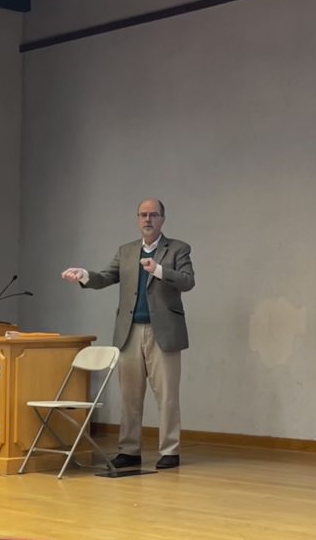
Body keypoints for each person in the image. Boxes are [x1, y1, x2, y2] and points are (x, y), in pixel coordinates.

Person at [61, 198, 195, 470]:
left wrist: (158, 270)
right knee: (130, 395)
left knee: (167, 395)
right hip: (129, 332)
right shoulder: (126, 251)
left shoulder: (178, 249)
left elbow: (187, 281)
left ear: (162, 219)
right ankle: (129, 450)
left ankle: (170, 450)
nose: (148, 220)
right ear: (137, 219)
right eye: (143, 215)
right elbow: (106, 277)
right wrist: (85, 275)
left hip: (164, 333)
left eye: (153, 215)